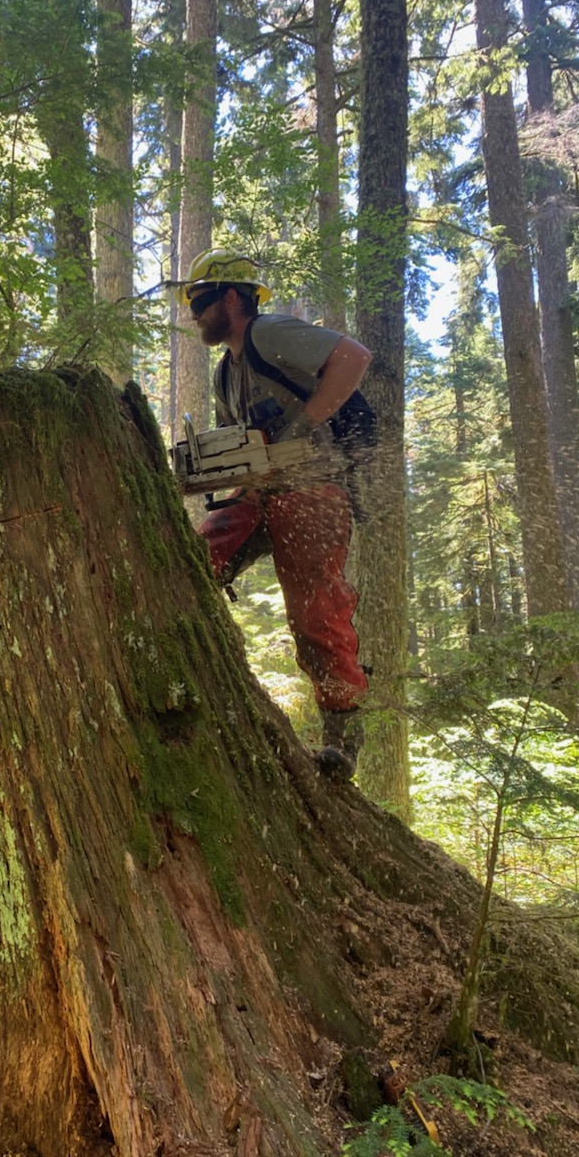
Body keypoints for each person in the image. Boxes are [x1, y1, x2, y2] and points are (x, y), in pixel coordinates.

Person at [180, 249, 373, 782]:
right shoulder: (226, 375)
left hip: (313, 488)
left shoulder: (270, 334)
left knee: (316, 611)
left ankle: (343, 737)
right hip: (261, 492)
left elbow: (353, 357)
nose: (194, 314)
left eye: (199, 301)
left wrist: (305, 426)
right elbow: (239, 447)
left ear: (231, 298)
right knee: (193, 559)